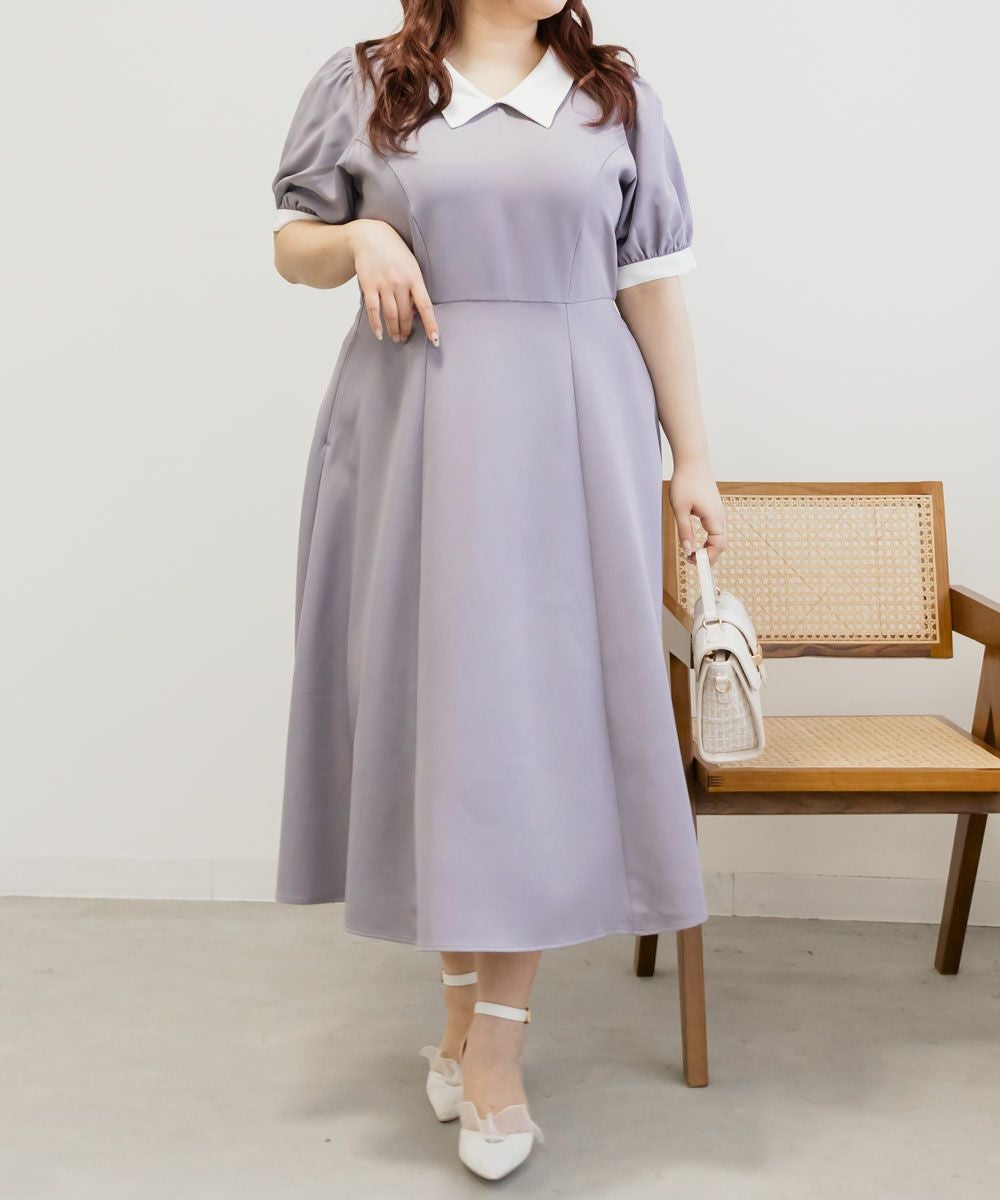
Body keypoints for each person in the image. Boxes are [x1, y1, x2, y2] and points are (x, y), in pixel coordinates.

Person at [271, 0, 727, 1181]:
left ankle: (495, 1055)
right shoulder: (368, 79)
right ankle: (459, 1016)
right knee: (445, 722)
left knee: (532, 731)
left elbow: (652, 286)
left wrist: (693, 459)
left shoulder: (613, 98)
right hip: (412, 422)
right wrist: (361, 240)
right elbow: (291, 244)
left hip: (568, 429)